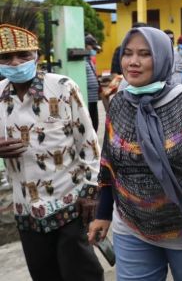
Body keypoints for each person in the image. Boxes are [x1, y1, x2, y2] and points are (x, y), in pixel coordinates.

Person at [87, 27, 182, 280]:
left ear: (162, 58)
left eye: (144, 54)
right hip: (131, 228)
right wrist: (103, 215)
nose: (133, 62)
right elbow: (108, 165)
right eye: (127, 53)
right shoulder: (119, 103)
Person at [0, 23, 103, 281]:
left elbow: (89, 143)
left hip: (69, 200)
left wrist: (90, 192)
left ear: (36, 55)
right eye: (6, 57)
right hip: (25, 207)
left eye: (23, 55)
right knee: (44, 275)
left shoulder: (63, 87)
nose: (15, 62)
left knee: (82, 274)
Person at [85, 35, 101, 131]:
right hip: (88, 97)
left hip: (94, 97)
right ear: (86, 46)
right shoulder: (82, 61)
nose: (94, 50)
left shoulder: (90, 60)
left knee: (95, 122)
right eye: (92, 47)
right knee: (91, 122)